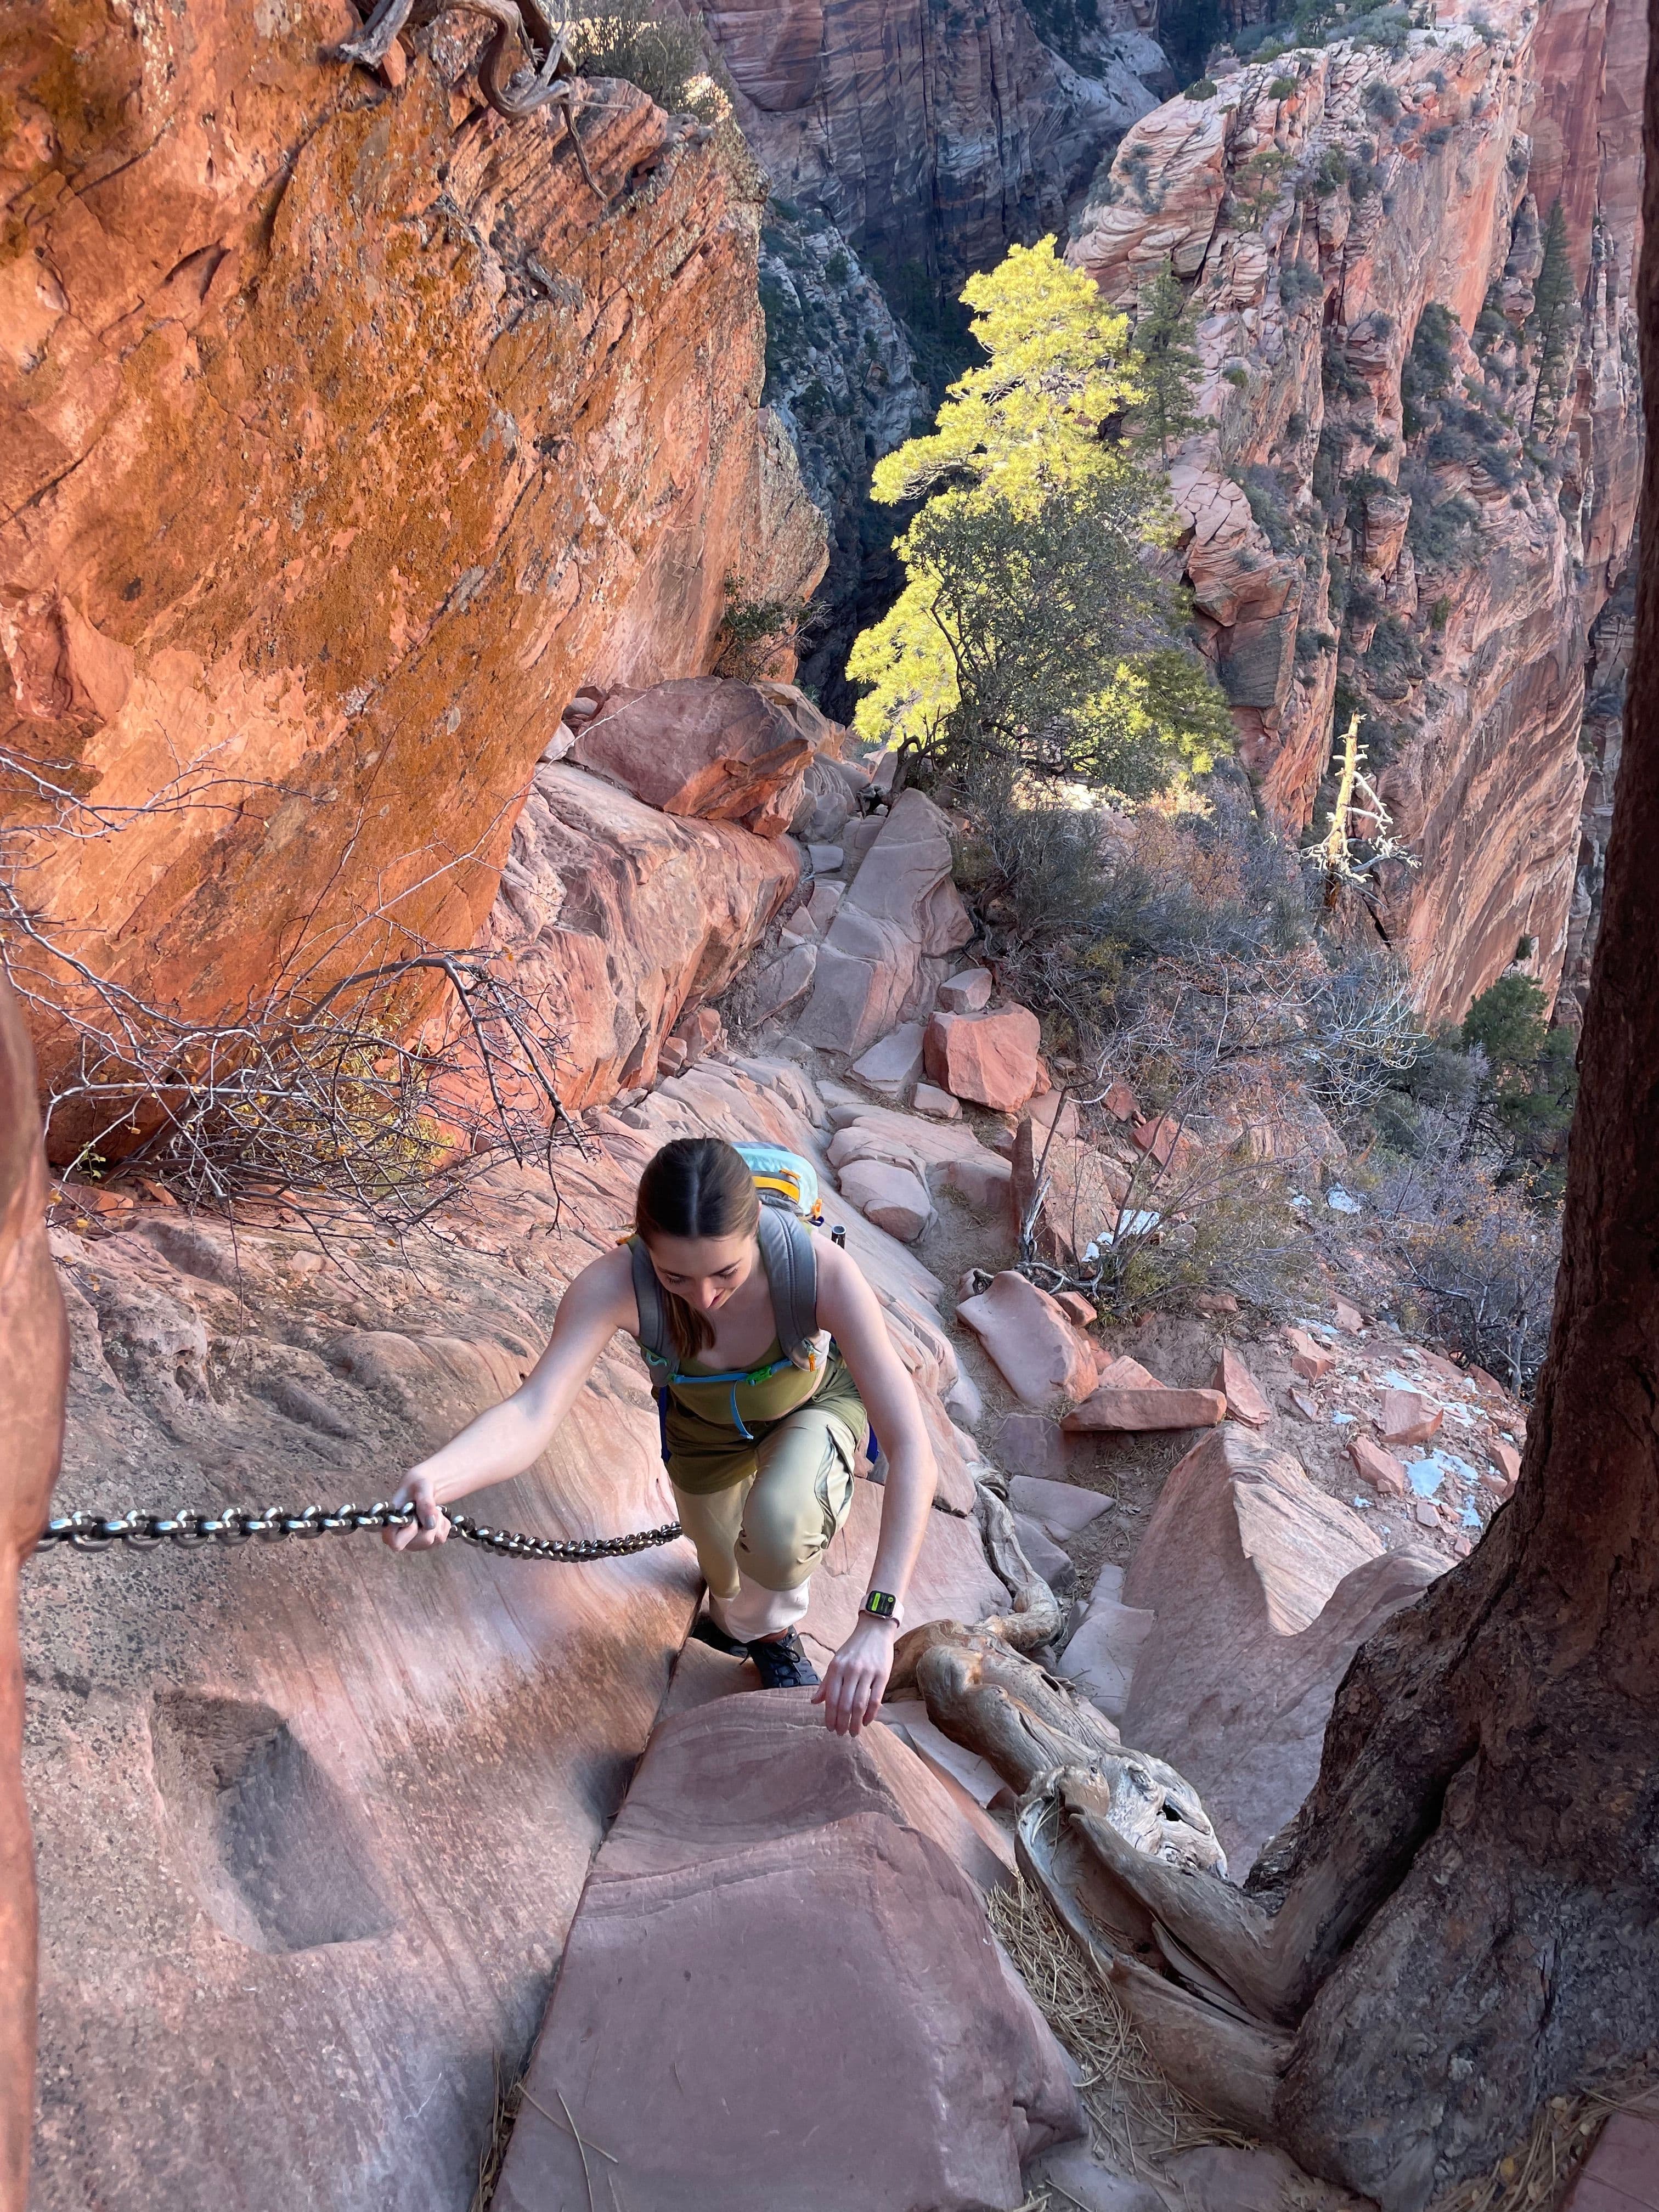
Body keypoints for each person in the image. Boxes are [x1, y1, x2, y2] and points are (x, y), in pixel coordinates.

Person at [385, 1136, 938, 1735]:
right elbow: (533, 1410)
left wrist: (879, 1621)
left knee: (780, 1527)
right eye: (676, 1276)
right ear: (644, 1247)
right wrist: (436, 1479)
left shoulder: (817, 1271)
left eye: (726, 1271)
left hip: (810, 1403)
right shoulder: (616, 1284)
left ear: (756, 1229)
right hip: (702, 1433)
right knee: (726, 1585)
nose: (703, 1298)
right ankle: (740, 1622)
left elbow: (911, 1448)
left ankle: (773, 1633)